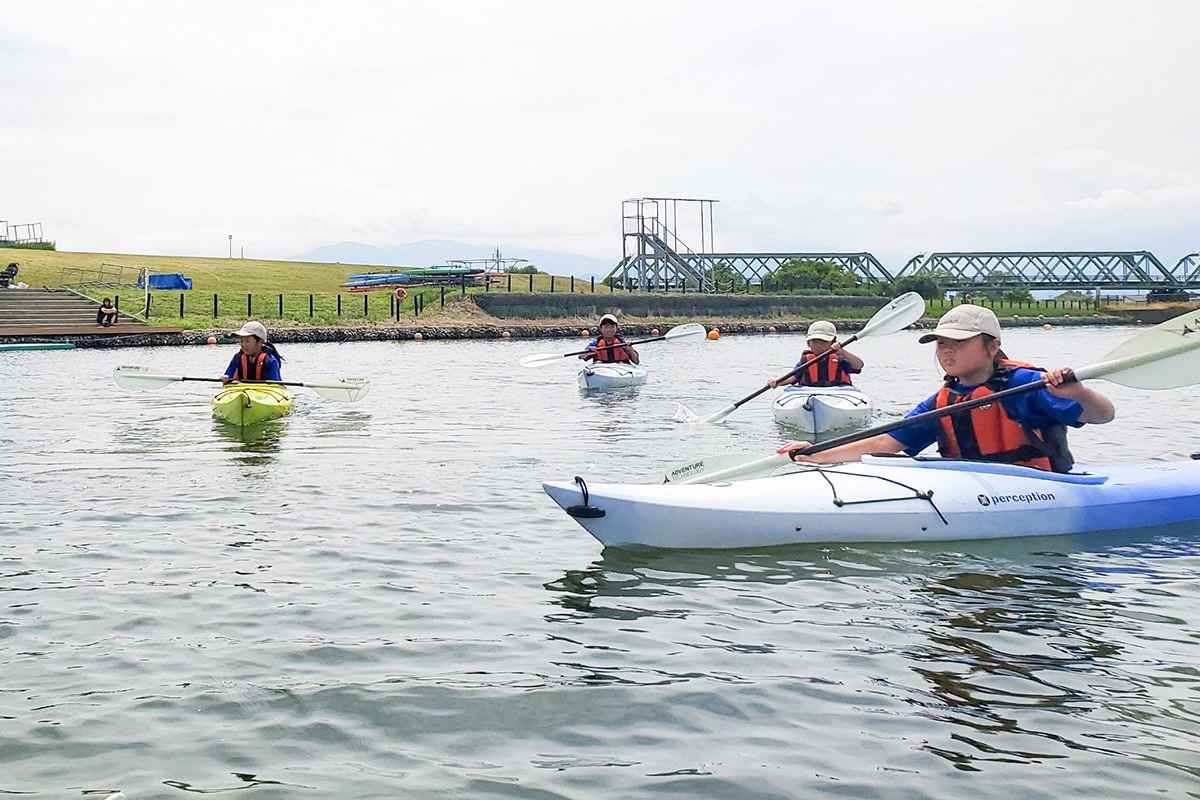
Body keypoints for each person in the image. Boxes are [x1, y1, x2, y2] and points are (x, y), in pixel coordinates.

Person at [777, 304, 1115, 472]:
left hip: (1040, 490)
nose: (946, 351)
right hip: (971, 492)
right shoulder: (943, 401)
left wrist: (1079, 394)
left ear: (992, 346)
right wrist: (816, 453)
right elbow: (885, 442)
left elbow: (1103, 416)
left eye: (959, 342)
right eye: (941, 343)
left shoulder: (1025, 384)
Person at [767, 320, 863, 388]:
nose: (819, 346)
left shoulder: (841, 359)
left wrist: (843, 352)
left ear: (833, 342)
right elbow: (792, 378)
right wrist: (777, 382)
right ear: (809, 343)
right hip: (809, 394)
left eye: (823, 341)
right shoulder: (805, 361)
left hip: (838, 395)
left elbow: (859, 365)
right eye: (815, 341)